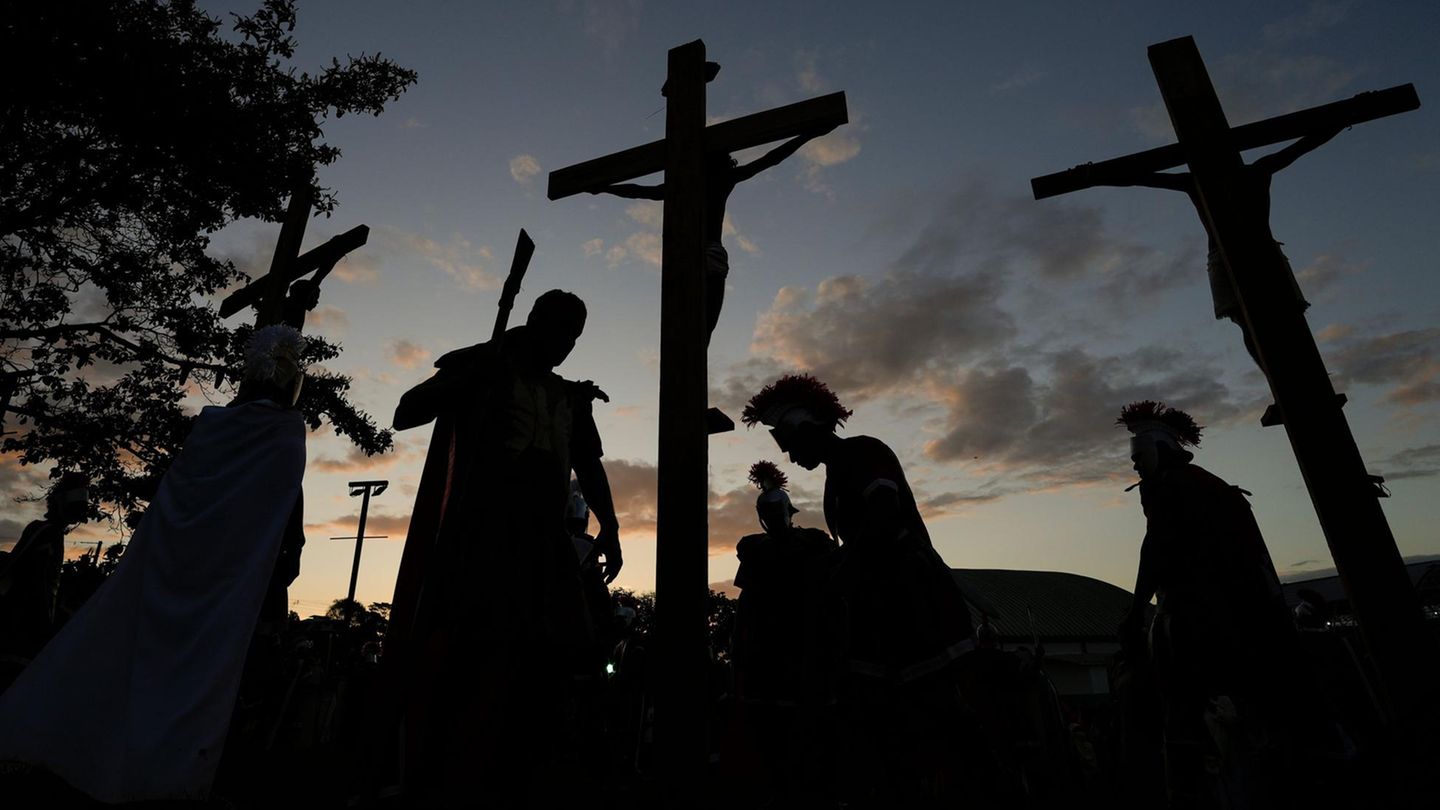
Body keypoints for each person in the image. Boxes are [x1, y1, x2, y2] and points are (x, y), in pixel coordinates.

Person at [0, 325, 309, 803]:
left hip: (177, 569)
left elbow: (190, 496)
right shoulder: (285, 432)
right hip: (229, 584)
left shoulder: (212, 426)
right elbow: (279, 520)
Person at [385, 289, 621, 806]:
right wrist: (472, 372)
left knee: (558, 659)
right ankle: (432, 776)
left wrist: (613, 525)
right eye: (560, 331)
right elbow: (406, 412)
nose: (566, 345)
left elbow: (589, 464)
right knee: (465, 657)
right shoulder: (484, 367)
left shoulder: (569, 397)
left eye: (574, 337)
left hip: (546, 547)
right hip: (481, 542)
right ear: (533, 322)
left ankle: (526, 773)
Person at [743, 373, 977, 804]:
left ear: (808, 430)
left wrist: (840, 573)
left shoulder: (865, 451)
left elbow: (883, 518)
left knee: (941, 718)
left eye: (789, 444)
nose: (790, 458)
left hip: (914, 601)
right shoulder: (836, 477)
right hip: (877, 604)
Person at [1116, 400, 1324, 808]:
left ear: (1159, 452)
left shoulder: (1171, 488)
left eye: (1139, 460)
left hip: (1206, 618)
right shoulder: (1210, 486)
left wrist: (1137, 610)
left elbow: (1156, 548)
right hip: (1250, 614)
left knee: (1154, 696)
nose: (1136, 470)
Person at [1082, 128, 1342, 372]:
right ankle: (1281, 376)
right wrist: (1094, 176)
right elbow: (1139, 178)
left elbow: (1304, 145)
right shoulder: (1225, 176)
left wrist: (1095, 176)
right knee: (1256, 321)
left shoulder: (1236, 174)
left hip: (1255, 253)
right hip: (1234, 255)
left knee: (1277, 319)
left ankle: (1302, 375)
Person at [587, 124, 835, 344]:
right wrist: (807, 135)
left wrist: (606, 189)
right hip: (700, 253)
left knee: (694, 329)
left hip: (697, 253)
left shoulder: (695, 182)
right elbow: (770, 159)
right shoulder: (715, 179)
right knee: (699, 329)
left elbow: (641, 191)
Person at [729, 459, 837, 803]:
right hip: (765, 647)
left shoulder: (814, 543)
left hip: (804, 641)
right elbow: (746, 604)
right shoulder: (753, 548)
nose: (775, 519)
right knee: (768, 726)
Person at [0, 472, 89, 691]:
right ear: (60, 504)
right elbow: (36, 580)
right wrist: (44, 623)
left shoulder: (50, 533)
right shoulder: (45, 532)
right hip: (22, 621)